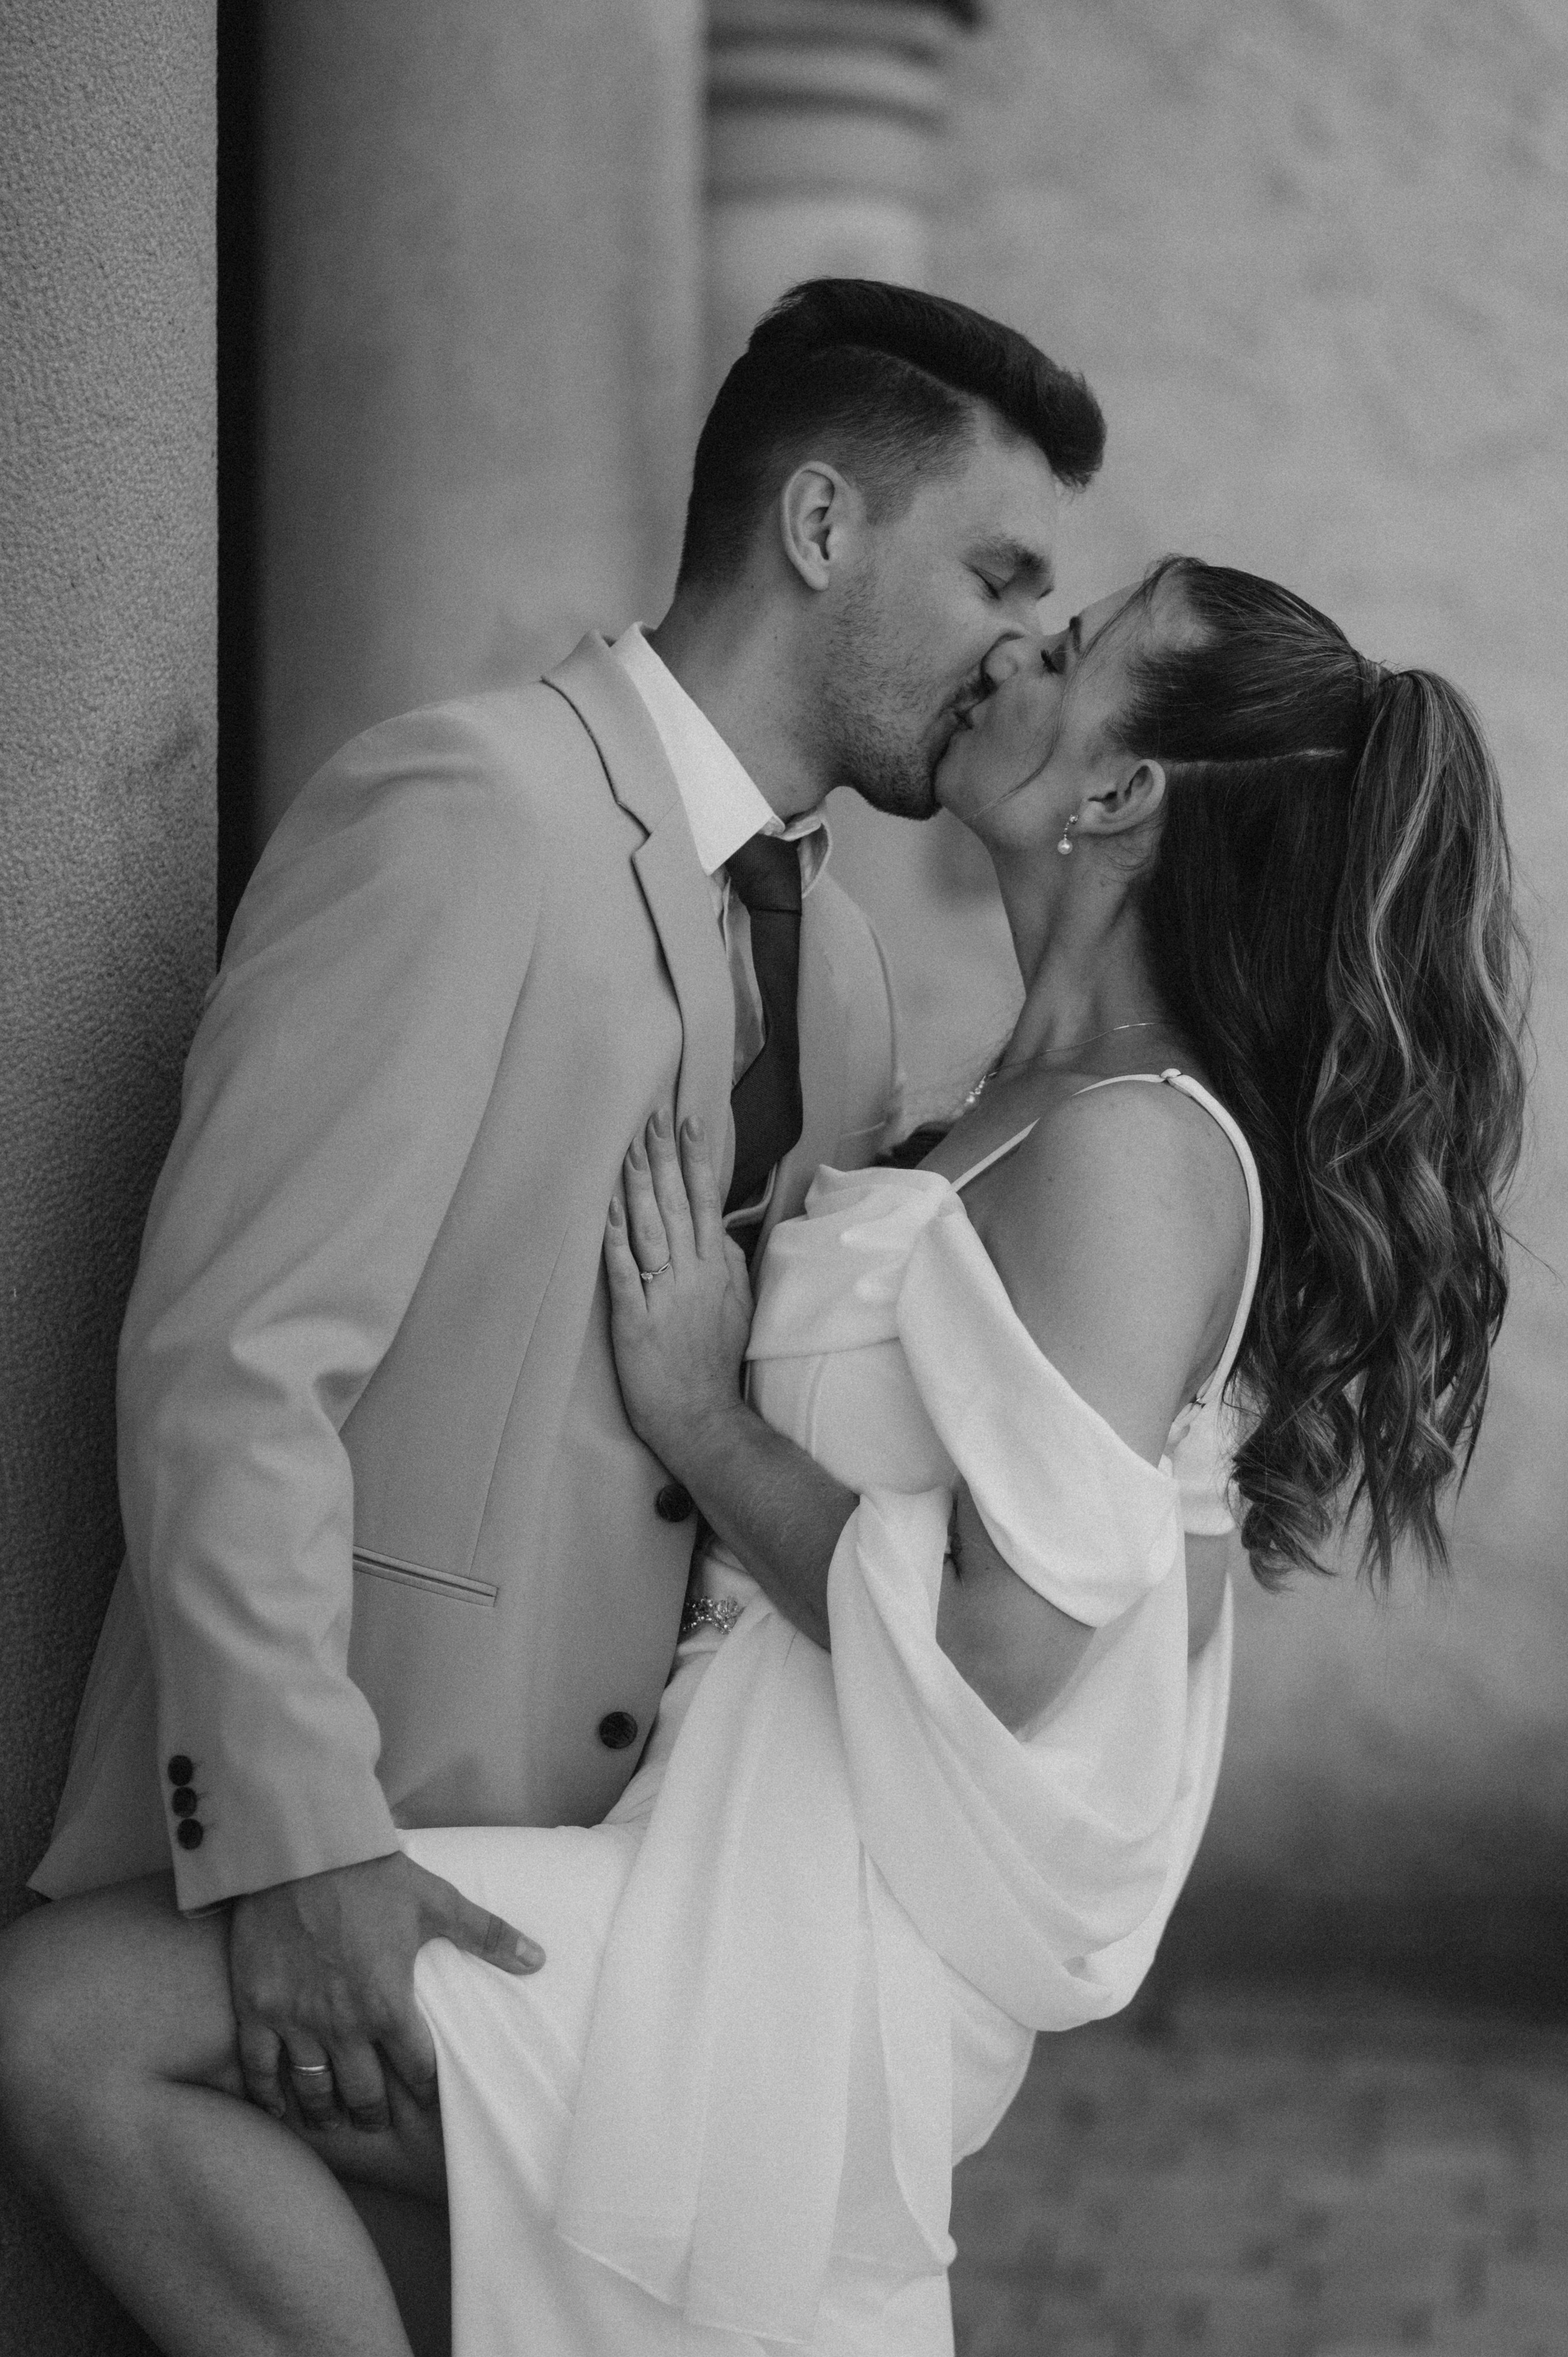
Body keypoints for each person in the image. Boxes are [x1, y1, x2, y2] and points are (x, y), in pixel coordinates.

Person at [0, 556, 1526, 2355]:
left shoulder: (1140, 1150)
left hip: (793, 1939)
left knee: (79, 2025)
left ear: (1122, 796)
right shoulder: (1002, 1098)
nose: (1022, 650)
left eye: (1080, 641)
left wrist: (708, 1418)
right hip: (721, 1848)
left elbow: (1001, 1648)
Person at [24, 280, 1107, 2141]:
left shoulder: (840, 969)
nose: (1029, 654)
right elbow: (232, 1365)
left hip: (617, 1944)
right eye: (1000, 579)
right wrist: (295, 1846)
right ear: (824, 524)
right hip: (320, 1896)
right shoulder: (463, 813)